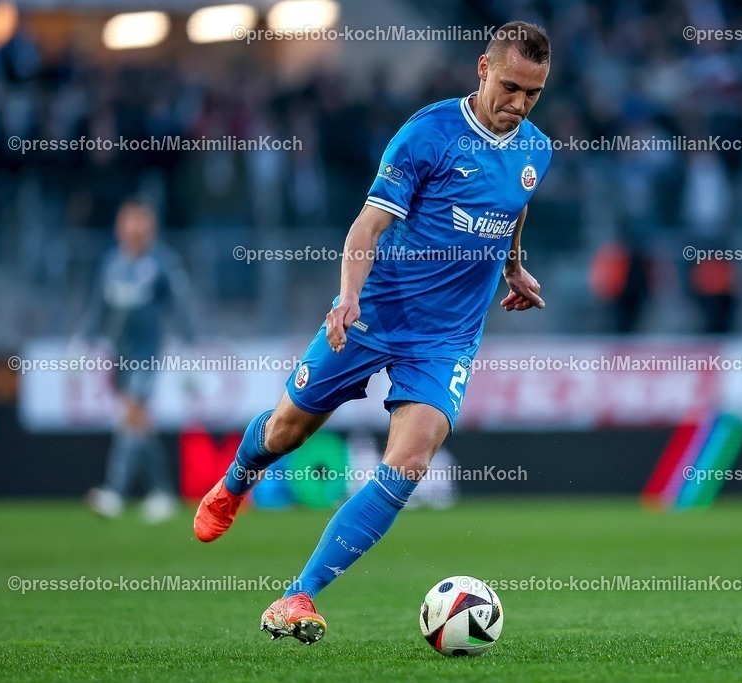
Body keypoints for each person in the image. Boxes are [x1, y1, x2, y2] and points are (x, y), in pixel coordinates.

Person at [193, 21, 553, 644]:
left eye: (533, 94)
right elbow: (366, 228)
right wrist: (349, 300)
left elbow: (513, 205)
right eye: (510, 87)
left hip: (446, 340)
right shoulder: (427, 135)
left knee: (409, 462)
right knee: (285, 431)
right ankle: (234, 482)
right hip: (373, 314)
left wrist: (514, 264)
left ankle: (297, 596)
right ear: (482, 69)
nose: (518, 105)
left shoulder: (536, 149)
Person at [80, 199, 197, 522]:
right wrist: (83, 342)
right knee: (139, 422)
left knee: (131, 413)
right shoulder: (111, 263)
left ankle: (114, 492)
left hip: (148, 353)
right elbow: (97, 308)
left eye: (140, 224)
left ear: (150, 229)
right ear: (120, 228)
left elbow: (182, 305)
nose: (134, 231)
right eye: (129, 224)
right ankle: (162, 492)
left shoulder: (162, 262)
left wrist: (191, 347)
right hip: (119, 355)